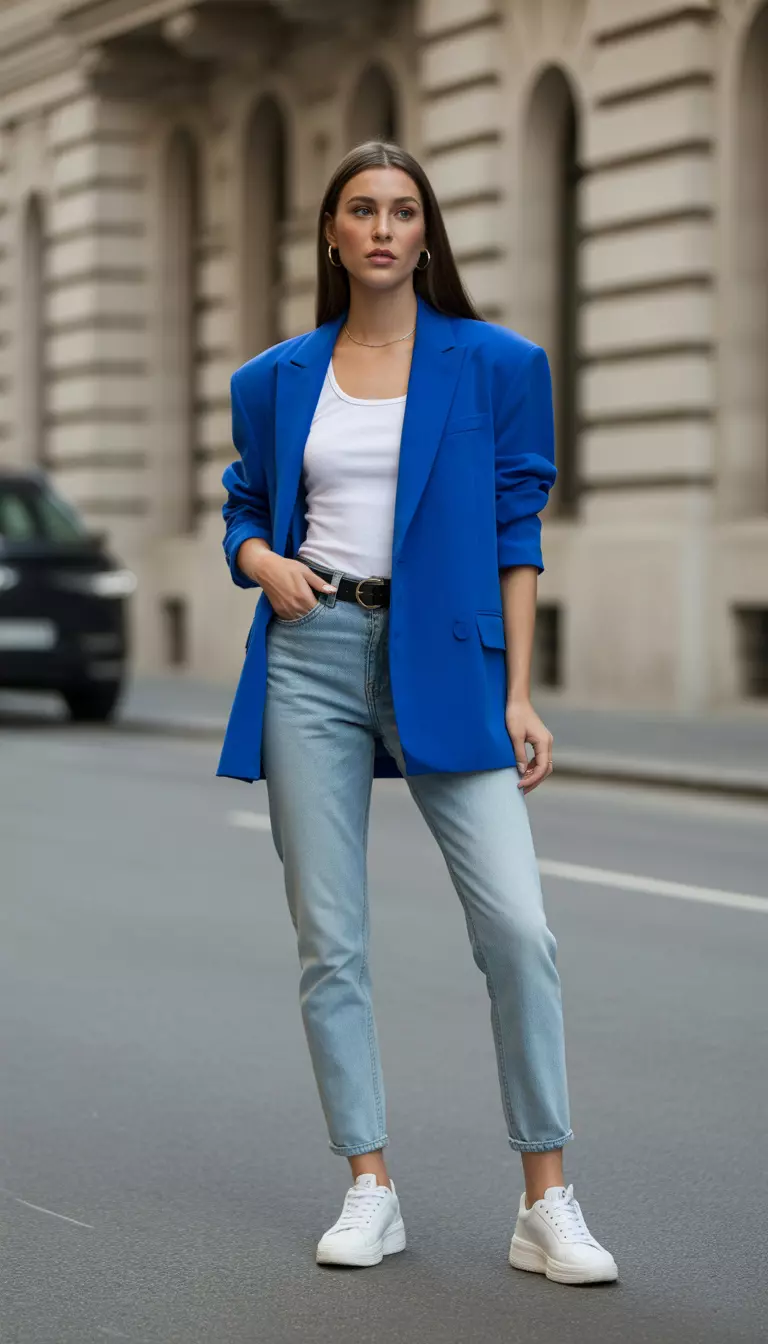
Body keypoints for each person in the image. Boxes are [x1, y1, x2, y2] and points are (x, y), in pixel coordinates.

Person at [217, 140, 618, 1286]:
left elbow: (516, 533)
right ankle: (369, 1184)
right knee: (330, 941)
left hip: (448, 655)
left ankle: (547, 1200)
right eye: (360, 210)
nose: (383, 228)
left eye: (402, 210)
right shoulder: (275, 378)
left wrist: (522, 690)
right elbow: (243, 505)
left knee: (520, 934)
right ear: (333, 236)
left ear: (427, 234)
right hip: (312, 658)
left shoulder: (497, 364)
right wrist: (259, 558)